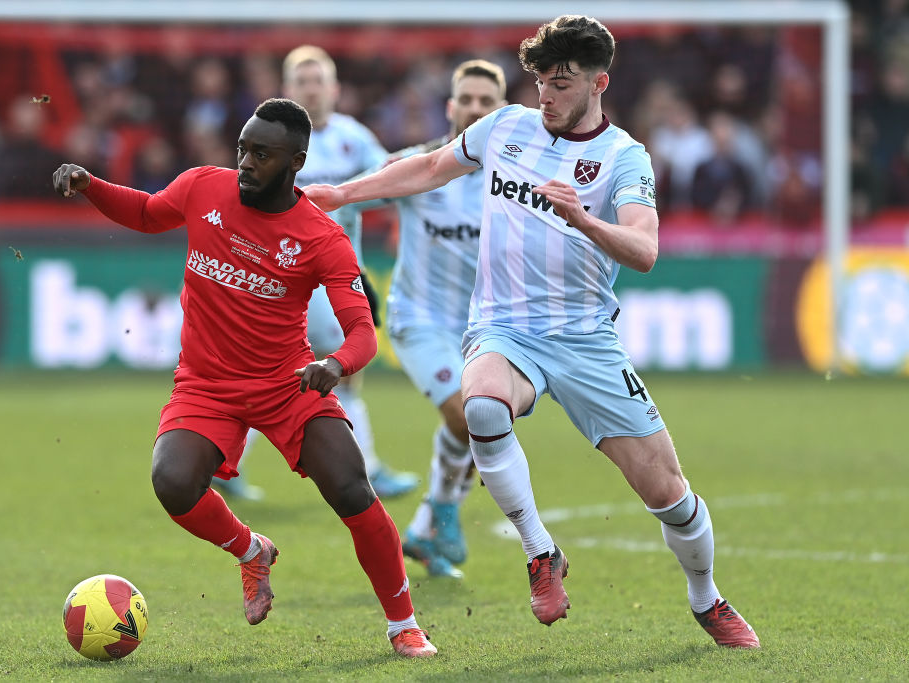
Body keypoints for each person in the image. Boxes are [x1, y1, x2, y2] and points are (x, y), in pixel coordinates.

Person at [304, 15, 760, 649]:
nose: (545, 95)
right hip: (504, 327)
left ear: (599, 83)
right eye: (541, 80)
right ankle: (540, 551)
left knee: (669, 493)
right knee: (482, 407)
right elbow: (429, 168)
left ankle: (707, 597)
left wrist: (583, 219)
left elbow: (645, 248)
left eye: (562, 84)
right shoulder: (507, 127)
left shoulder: (622, 157)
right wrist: (343, 194)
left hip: (586, 341)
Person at [51, 98, 437, 658]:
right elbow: (145, 214)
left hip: (288, 385)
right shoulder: (203, 186)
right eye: (243, 149)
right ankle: (251, 550)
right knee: (173, 482)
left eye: (262, 154)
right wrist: (91, 185)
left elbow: (362, 333)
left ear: (296, 162)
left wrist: (335, 365)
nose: (247, 163)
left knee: (353, 490)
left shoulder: (321, 237)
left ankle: (403, 624)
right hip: (206, 385)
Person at [211, 45, 416, 501]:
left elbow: (391, 183)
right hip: (279, 276)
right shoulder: (268, 138)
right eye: (302, 82)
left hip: (334, 273)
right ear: (287, 90)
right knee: (301, 370)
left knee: (301, 372)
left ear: (335, 88)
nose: (312, 89)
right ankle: (367, 468)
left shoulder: (355, 139)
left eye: (318, 80)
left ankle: (226, 465)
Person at [345, 60, 507, 578]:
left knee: (485, 427)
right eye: (468, 99)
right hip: (419, 321)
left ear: (501, 111)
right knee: (464, 415)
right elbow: (346, 201)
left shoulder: (515, 174)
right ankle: (443, 509)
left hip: (486, 328)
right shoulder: (419, 165)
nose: (476, 109)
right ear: (451, 106)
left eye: (487, 101)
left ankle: (421, 532)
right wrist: (351, 272)